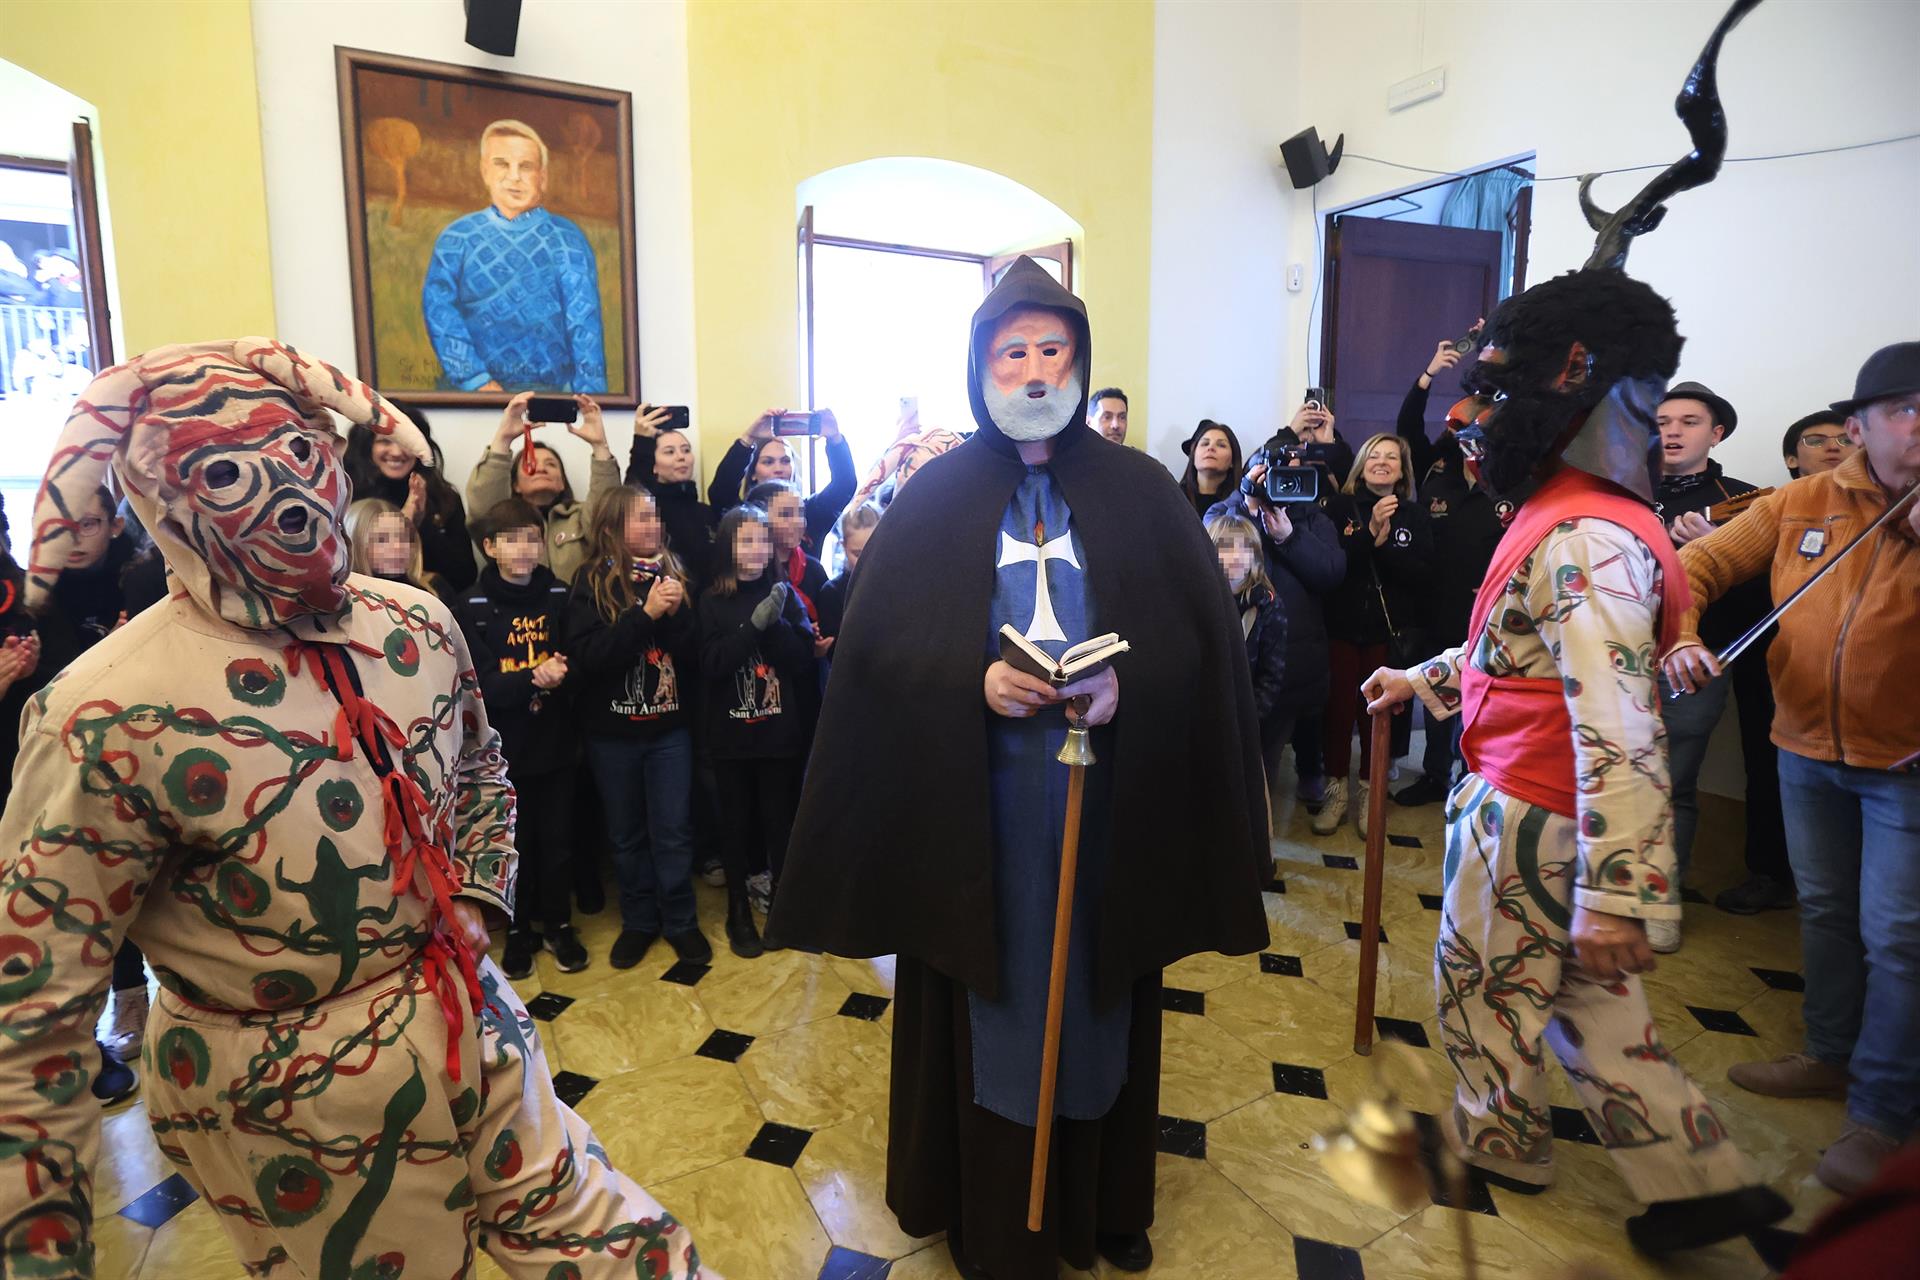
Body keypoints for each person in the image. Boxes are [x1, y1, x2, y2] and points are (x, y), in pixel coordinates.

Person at [0, 339, 706, 1277]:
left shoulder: (416, 622)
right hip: (287, 1106)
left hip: (472, 1012)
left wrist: (479, 902)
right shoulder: (102, 713)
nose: (285, 499)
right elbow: (34, 1015)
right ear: (161, 502)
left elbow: (483, 772)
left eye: (297, 455)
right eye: (223, 473)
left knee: (619, 1242)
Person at [770, 258, 1268, 1279]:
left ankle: (1106, 1197)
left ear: (1078, 361)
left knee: (1099, 979)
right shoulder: (940, 491)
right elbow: (878, 648)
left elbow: (1196, 643)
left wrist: (1131, 684)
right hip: (981, 804)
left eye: (1053, 350)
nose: (1035, 369)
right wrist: (971, 676)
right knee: (991, 986)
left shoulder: (1138, 489)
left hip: (1104, 794)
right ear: (980, 366)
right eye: (1014, 352)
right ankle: (987, 1209)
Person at [1361, 267, 1789, 1256]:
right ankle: (1694, 1181)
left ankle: (1499, 1136)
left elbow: (1619, 722)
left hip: (1535, 814)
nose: (1468, 413)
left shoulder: (1587, 535)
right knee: (1590, 1005)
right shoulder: (1578, 513)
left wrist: (1619, 895)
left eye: (1495, 395)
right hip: (1550, 809)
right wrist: (1418, 675)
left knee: (1485, 983)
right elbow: (1513, 655)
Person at [1664, 340, 1920, 1197]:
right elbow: (1698, 563)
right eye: (1905, 409)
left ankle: (1883, 1111)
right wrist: (1686, 633)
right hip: (1804, 744)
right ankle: (1827, 1051)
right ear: (1859, 427)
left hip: (1905, 765)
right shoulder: (1802, 500)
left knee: (1899, 936)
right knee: (1825, 908)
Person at [1648, 381, 1789, 935]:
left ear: (1717, 432)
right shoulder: (1621, 490)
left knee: (1672, 783)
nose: (1674, 431)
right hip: (1607, 656)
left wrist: (1714, 547)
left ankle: (1660, 904)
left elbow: (1773, 601)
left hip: (1689, 661)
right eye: (1662, 422)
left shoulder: (1746, 500)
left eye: (1688, 421)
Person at [564, 487, 712, 968]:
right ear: (611, 529)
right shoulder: (590, 581)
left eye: (655, 517)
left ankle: (681, 922)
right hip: (612, 737)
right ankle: (640, 922)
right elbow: (589, 658)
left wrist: (671, 616)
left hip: (670, 733)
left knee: (673, 832)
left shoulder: (677, 573)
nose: (653, 527)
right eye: (640, 519)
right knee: (626, 836)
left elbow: (694, 655)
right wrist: (645, 615)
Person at [455, 497, 588, 980]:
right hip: (502, 750)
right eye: (511, 538)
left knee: (558, 842)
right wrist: (533, 677)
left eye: (532, 537)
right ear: (490, 547)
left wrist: (561, 674)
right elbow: (480, 684)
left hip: (556, 742)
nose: (524, 547)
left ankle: (558, 924)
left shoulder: (558, 594)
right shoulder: (469, 604)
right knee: (515, 844)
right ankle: (520, 931)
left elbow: (580, 657)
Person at [1204, 432, 1347, 809]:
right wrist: (1248, 503)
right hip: (1239, 663)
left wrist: (1288, 538)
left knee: (1267, 762)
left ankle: (1263, 835)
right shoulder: (1227, 510)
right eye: (1277, 473)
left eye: (1296, 476)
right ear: (1254, 471)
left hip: (1297, 660)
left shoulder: (1314, 519)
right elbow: (1212, 545)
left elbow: (1332, 573)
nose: (1285, 482)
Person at [1392, 332, 1505, 808]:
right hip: (1435, 598)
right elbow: (1405, 427)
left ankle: (1470, 775)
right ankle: (1436, 773)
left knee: (1481, 693)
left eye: (1473, 430)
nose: (1465, 437)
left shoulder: (1507, 475)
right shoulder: (1435, 463)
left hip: (1487, 603)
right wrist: (1428, 374)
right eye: (1457, 429)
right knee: (1438, 688)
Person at [421, 118, 606, 392]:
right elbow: (439, 310)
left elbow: (585, 325)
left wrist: (590, 398)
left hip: (549, 394)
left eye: (526, 166)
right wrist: (477, 380)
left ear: (542, 178)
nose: (514, 176)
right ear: (485, 171)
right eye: (502, 164)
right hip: (472, 393)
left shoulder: (567, 240)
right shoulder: (457, 237)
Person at [698, 504, 816, 934]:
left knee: (778, 823)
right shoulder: (712, 602)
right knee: (734, 825)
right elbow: (713, 663)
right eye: (746, 540)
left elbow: (803, 661)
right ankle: (737, 911)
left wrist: (778, 621)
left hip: (778, 735)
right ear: (729, 546)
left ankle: (783, 905)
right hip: (731, 738)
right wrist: (754, 625)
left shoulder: (784, 595)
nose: (757, 549)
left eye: (763, 540)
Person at [1314, 434, 1431, 837]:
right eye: (1374, 456)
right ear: (1361, 465)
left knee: (1377, 718)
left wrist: (1384, 545)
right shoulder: (1338, 507)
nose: (1382, 462)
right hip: (1341, 628)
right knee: (1337, 714)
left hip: (1387, 632)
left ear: (1402, 470)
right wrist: (1370, 532)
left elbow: (1421, 575)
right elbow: (1334, 567)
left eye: (1391, 457)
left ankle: (1369, 793)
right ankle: (1336, 793)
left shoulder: (1415, 515)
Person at [466, 390, 618, 584]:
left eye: (551, 464)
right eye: (531, 462)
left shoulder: (580, 518)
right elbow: (483, 511)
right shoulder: (502, 519)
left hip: (576, 608)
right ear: (515, 485)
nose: (541, 469)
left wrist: (600, 446)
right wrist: (503, 439)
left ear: (562, 482)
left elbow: (607, 510)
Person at [344, 404, 476, 592]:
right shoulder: (345, 496)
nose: (397, 452)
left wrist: (421, 524)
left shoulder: (444, 498)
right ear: (367, 445)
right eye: (385, 441)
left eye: (406, 442)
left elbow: (464, 577)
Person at [707, 409, 856, 550]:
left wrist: (834, 438)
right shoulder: (744, 516)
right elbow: (720, 490)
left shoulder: (811, 512)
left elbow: (844, 484)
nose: (778, 468)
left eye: (785, 461)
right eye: (768, 462)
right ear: (752, 473)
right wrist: (749, 438)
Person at [1210, 513, 1287, 783]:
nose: (1234, 556)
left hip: (1252, 717)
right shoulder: (1204, 600)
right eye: (1225, 547)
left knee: (1254, 781)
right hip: (1209, 713)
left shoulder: (1268, 604)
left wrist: (1249, 718)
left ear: (1254, 555)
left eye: (1243, 548)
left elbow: (1272, 673)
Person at [626, 403, 718, 589]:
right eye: (669, 452)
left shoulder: (706, 513)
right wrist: (642, 441)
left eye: (686, 450)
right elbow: (633, 491)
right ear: (653, 464)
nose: (681, 457)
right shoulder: (650, 512)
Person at [345, 496, 461, 606]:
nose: (398, 546)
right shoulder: (345, 600)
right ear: (355, 544)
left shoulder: (433, 588)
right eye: (381, 540)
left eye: (403, 537)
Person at [817, 500, 881, 643]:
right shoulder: (831, 593)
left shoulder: (897, 584)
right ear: (843, 546)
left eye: (872, 551)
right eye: (857, 554)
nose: (866, 560)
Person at [1176, 420, 1243, 519]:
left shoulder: (1242, 504)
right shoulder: (1174, 498)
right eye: (1205, 443)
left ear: (1232, 461)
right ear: (1192, 455)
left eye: (1221, 445)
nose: (1210, 448)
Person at [1782, 409, 1855, 478]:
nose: (1834, 446)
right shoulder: (1782, 492)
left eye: (1847, 441)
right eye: (1816, 442)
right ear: (1792, 461)